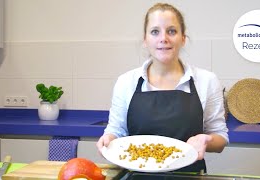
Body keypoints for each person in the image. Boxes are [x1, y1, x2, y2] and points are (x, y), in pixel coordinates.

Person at [96, 3, 228, 173]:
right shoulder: (126, 82)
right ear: (145, 39)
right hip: (136, 176)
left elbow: (221, 139)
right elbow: (116, 130)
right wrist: (108, 139)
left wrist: (206, 140)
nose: (163, 38)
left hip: (189, 176)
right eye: (155, 31)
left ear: (183, 38)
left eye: (171, 31)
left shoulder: (207, 81)